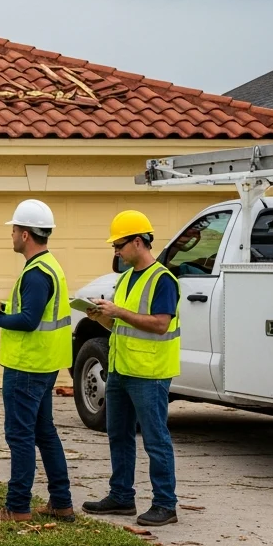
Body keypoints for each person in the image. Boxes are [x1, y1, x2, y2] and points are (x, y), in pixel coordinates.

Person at [0, 200, 74, 523]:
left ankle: (17, 507)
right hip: (43, 364)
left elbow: (28, 320)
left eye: (13, 229)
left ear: (25, 234)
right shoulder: (47, 266)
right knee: (43, 432)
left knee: (20, 436)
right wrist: (1, 303)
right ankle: (61, 503)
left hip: (27, 366)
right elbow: (33, 308)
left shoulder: (37, 273)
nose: (10, 234)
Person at [82, 210, 181, 527]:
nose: (116, 252)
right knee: (119, 435)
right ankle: (121, 496)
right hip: (121, 370)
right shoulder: (125, 278)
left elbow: (160, 324)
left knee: (156, 440)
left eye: (119, 245)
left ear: (139, 241)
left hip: (149, 374)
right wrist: (102, 317)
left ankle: (166, 504)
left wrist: (119, 312)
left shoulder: (163, 280)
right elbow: (120, 325)